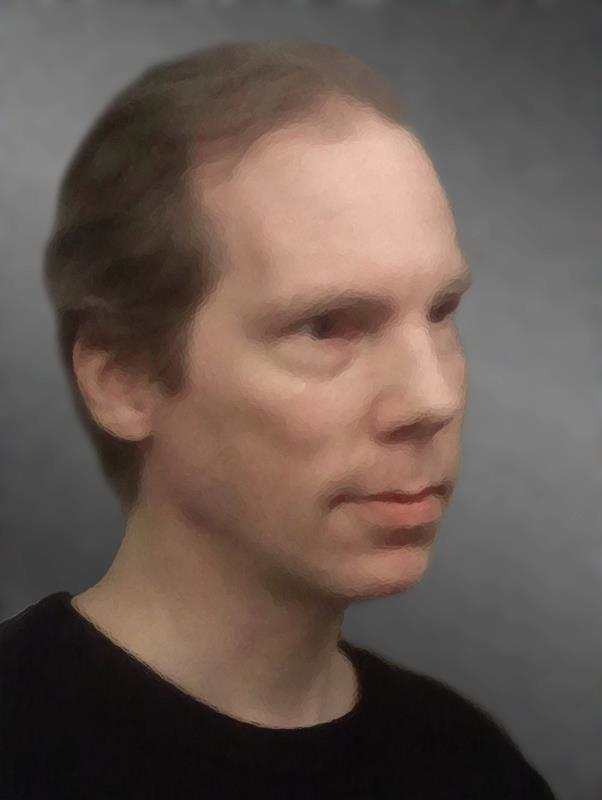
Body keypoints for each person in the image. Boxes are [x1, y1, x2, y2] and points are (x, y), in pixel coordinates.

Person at [0, 39, 556, 799]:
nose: (432, 397)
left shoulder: (473, 769)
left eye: (440, 312)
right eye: (327, 327)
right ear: (122, 377)